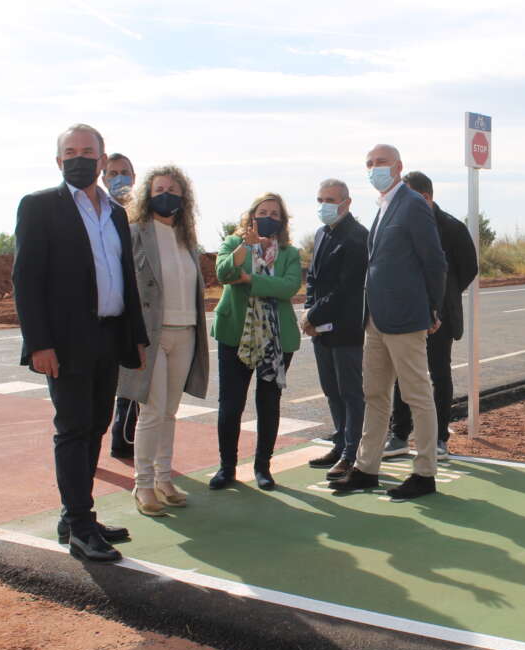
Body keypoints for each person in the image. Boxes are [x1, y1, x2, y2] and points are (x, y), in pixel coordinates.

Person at [12, 124, 149, 563]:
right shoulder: (39, 207)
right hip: (65, 342)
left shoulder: (116, 213)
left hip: (108, 336)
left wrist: (136, 337)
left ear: (102, 159)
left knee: (95, 427)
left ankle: (76, 517)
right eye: (69, 151)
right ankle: (81, 526)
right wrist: (39, 343)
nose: (78, 157)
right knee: (73, 429)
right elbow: (26, 280)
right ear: (58, 161)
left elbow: (124, 278)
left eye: (87, 151)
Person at [329, 144, 446, 500]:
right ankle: (366, 468)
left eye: (380, 162)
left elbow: (435, 262)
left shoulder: (412, 205)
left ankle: (425, 472)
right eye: (369, 163)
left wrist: (433, 310)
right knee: (375, 395)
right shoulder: (382, 207)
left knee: (416, 395)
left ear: (398, 166)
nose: (374, 168)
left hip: (406, 318)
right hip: (376, 319)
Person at [117, 165, 210, 516]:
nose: (166, 194)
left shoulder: (187, 238)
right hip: (151, 336)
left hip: (185, 331)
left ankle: (164, 478)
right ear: (148, 194)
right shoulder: (135, 232)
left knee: (170, 411)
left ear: (183, 197)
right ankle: (143, 485)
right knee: (152, 411)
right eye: (159, 189)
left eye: (173, 189)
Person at [210, 193, 302, 491]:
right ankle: (227, 468)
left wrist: (249, 280)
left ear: (282, 221)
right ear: (251, 216)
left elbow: (288, 287)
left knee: (268, 403)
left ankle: (263, 467)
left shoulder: (289, 253)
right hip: (235, 335)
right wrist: (246, 249)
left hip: (276, 339)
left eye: (275, 214)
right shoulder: (232, 243)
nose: (269, 217)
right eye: (263, 212)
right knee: (231, 405)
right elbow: (224, 273)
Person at [383, 171, 478, 460]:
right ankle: (399, 435)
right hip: (406, 313)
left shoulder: (451, 227)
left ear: (425, 197)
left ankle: (439, 439)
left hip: (439, 317)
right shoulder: (400, 225)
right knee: (404, 374)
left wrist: (443, 297)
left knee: (439, 374)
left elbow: (468, 268)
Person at [302, 179, 368, 480]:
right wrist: (309, 312)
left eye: (331, 199)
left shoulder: (357, 237)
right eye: (320, 199)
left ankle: (351, 453)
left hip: (346, 327)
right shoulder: (320, 233)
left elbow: (347, 289)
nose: (324, 205)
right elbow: (313, 278)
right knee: (331, 390)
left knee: (350, 391)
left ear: (347, 202)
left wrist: (313, 314)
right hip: (321, 329)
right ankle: (340, 441)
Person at [104, 152, 140, 459]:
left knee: (133, 382)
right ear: (103, 177)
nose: (119, 178)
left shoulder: (142, 215)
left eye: (124, 172)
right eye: (113, 172)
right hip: (104, 314)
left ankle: (124, 439)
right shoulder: (96, 212)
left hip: (136, 311)